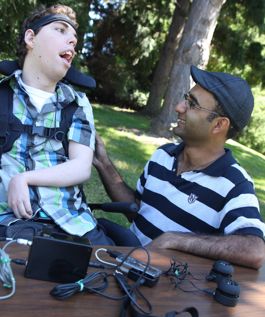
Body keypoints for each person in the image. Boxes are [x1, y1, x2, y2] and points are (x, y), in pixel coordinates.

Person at [93, 65, 265, 269]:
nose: (178, 107)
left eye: (192, 104)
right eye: (186, 98)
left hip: (162, 290)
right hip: (125, 264)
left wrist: (176, 240)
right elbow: (139, 209)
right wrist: (103, 163)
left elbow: (254, 250)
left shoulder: (234, 183)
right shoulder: (163, 155)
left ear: (219, 125)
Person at [0, 4, 114, 245]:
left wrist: (24, 178)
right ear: (31, 38)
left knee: (114, 273)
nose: (72, 42)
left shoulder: (78, 104)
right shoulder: (2, 95)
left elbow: (81, 167)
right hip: (9, 221)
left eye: (74, 38)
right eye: (60, 30)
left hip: (72, 222)